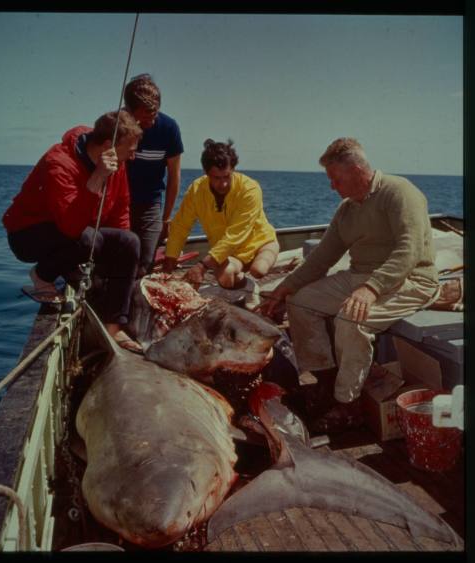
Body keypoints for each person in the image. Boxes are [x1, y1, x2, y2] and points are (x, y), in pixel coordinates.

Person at [260, 137, 439, 432]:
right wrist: (285, 287)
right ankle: (326, 383)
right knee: (301, 301)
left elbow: (409, 252)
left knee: (351, 319)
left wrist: (371, 288)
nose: (332, 186)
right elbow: (322, 257)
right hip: (361, 277)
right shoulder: (347, 209)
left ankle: (348, 405)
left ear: (356, 170)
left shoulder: (400, 193)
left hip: (411, 279)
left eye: (335, 179)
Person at [2, 110, 144, 353]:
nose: (133, 156)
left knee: (129, 242)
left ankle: (114, 327)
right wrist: (97, 177)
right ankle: (41, 275)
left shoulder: (117, 165)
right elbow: (70, 225)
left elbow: (121, 210)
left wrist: (116, 261)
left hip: (74, 233)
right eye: (130, 149)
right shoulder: (58, 162)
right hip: (28, 237)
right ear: (109, 146)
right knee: (89, 240)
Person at [162, 139, 279, 304]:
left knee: (259, 270)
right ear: (206, 172)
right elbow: (180, 226)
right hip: (230, 253)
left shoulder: (250, 189)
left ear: (233, 169)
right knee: (226, 278)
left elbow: (235, 235)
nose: (223, 183)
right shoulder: (196, 190)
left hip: (260, 243)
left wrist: (202, 266)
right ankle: (247, 285)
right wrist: (170, 260)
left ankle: (273, 265)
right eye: (216, 178)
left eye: (227, 176)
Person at [123, 73, 184, 277]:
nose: (152, 119)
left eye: (155, 112)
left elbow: (174, 176)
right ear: (130, 111)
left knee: (145, 261)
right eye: (146, 114)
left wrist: (166, 219)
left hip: (151, 204)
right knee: (121, 257)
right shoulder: (116, 126)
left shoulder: (169, 128)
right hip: (119, 204)